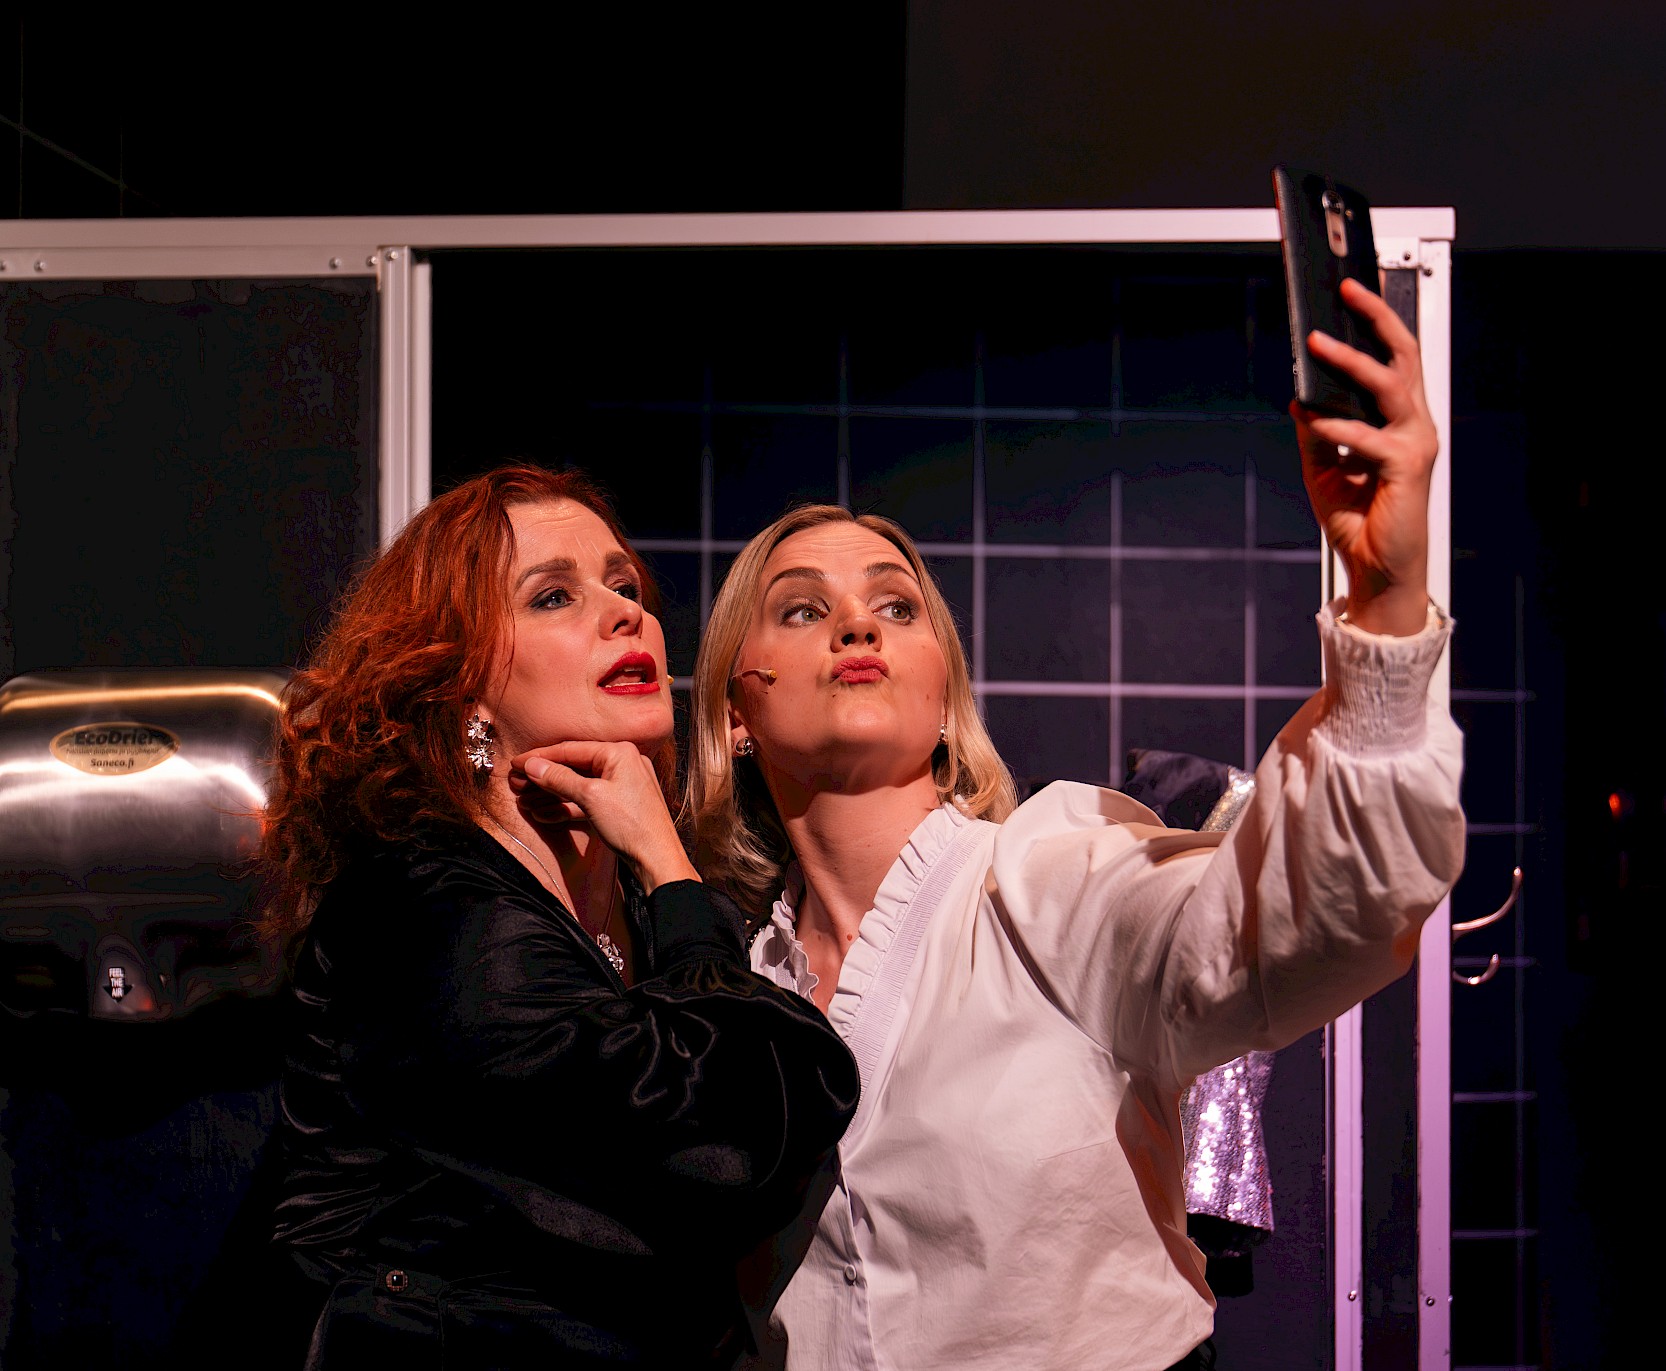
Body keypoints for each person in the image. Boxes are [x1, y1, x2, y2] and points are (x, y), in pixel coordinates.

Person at [687, 279, 1466, 1370]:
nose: (858, 623)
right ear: (737, 710)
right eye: (803, 608)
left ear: (942, 695)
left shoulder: (1047, 877)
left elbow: (1303, 923)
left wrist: (1384, 594)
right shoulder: (730, 989)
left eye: (897, 606)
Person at [253, 465, 860, 1368]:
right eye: (552, 596)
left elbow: (779, 1101)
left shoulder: (628, 914)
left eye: (625, 586)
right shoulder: (430, 913)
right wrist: (670, 865)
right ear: (460, 687)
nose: (625, 614)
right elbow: (726, 1149)